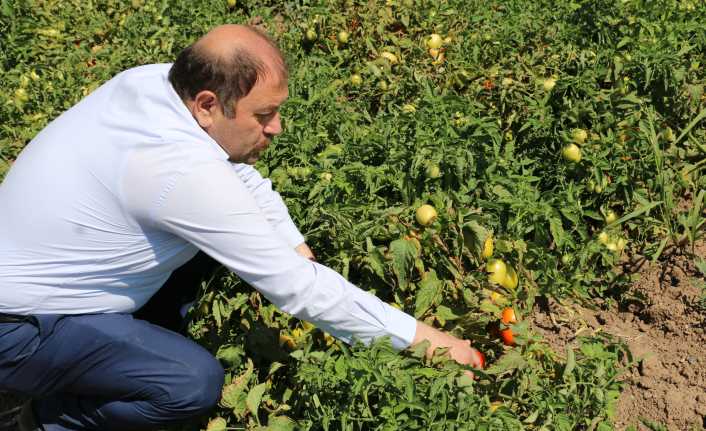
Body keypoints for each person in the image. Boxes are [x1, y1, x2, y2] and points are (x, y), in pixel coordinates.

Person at [0, 24, 484, 431]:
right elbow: (298, 291)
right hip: (19, 330)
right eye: (264, 115)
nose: (276, 129)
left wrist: (294, 245)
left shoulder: (153, 85)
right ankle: (49, 417)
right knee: (190, 383)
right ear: (208, 104)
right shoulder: (178, 172)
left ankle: (129, 343)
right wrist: (428, 340)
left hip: (32, 280)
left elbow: (238, 178)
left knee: (213, 245)